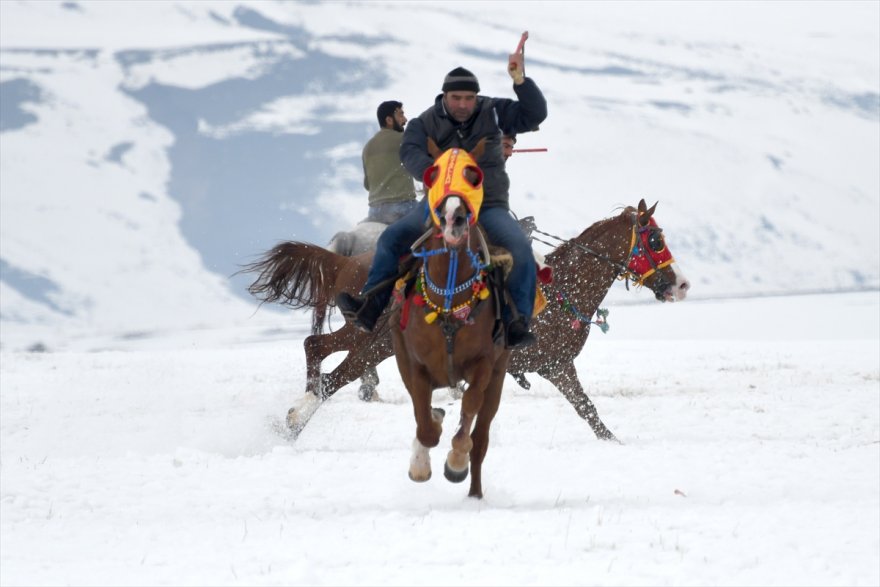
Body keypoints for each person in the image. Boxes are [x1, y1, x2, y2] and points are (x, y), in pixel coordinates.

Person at [338, 61, 547, 349]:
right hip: (439, 202)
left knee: (521, 250)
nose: (463, 104)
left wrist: (520, 80)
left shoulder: (494, 112)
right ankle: (370, 308)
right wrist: (432, 172)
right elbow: (409, 150)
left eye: (469, 98)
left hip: (488, 204)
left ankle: (517, 322)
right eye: (456, 98)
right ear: (444, 97)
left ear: (477, 97)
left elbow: (535, 114)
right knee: (390, 238)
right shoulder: (425, 123)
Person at [362, 101, 418, 224]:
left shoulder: (367, 147)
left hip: (374, 212)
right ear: (389, 120)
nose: (405, 119)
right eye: (401, 115)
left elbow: (367, 185)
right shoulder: (404, 139)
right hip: (403, 207)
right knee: (439, 223)